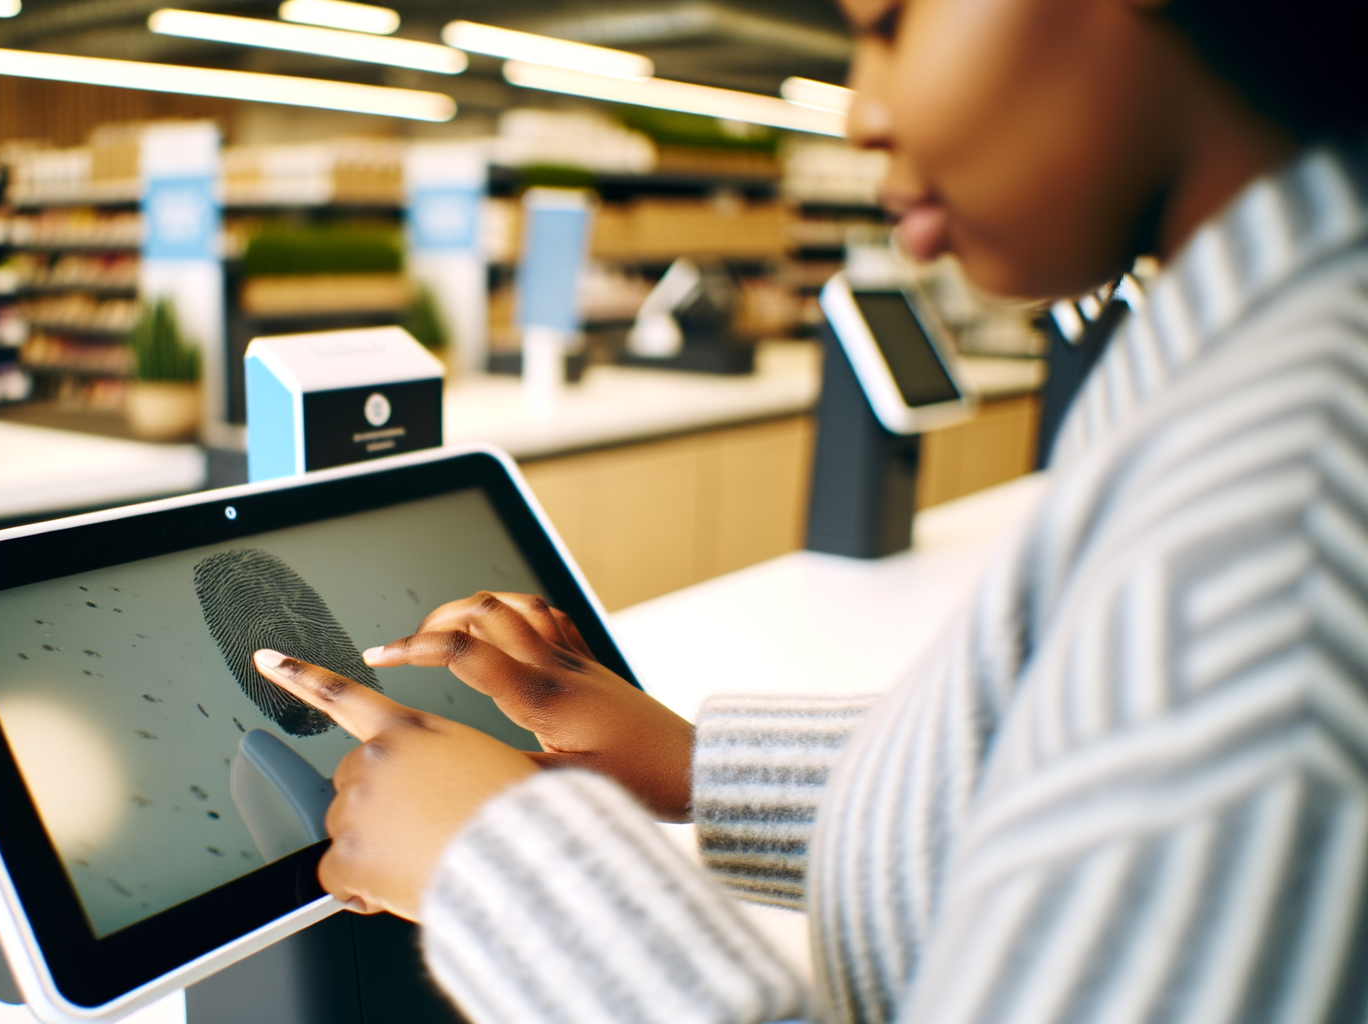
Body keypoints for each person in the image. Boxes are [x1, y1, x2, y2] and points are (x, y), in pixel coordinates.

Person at [250, 0, 1368, 1019]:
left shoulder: (1289, 499)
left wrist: (504, 870)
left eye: (888, 23)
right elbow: (1093, 815)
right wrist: (703, 769)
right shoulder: (1242, 371)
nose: (860, 113)